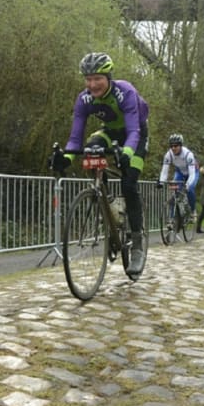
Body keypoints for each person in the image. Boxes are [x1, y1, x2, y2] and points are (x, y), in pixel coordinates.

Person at [50, 52, 150, 276]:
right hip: (110, 133)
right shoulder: (84, 99)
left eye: (97, 79)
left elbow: (133, 130)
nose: (92, 84)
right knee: (90, 148)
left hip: (136, 136)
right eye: (88, 79)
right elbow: (75, 139)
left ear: (109, 77)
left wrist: (125, 153)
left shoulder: (125, 92)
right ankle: (109, 204)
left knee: (129, 184)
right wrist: (65, 158)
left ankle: (137, 245)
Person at [156, 133, 199, 222]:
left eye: (176, 146)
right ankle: (172, 218)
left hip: (193, 172)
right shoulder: (168, 155)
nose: (173, 148)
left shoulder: (188, 154)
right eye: (171, 146)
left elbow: (191, 174)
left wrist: (187, 185)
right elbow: (164, 171)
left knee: (190, 189)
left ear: (180, 145)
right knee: (174, 193)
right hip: (180, 172)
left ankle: (193, 211)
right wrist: (161, 182)